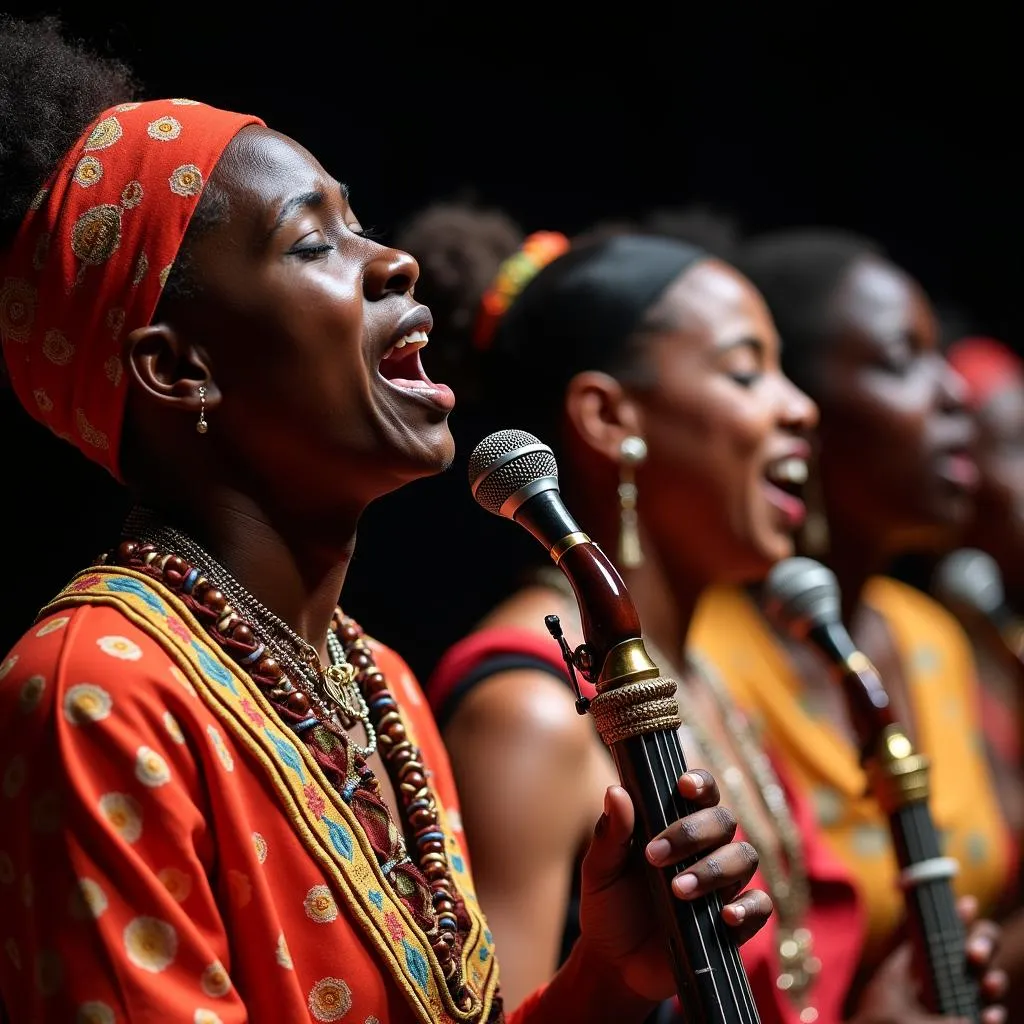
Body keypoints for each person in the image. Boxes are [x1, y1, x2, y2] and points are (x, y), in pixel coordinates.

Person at [0, 16, 774, 1024]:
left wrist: (607, 980)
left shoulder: (380, 682)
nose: (394, 261)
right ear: (178, 368)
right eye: (311, 241)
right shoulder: (93, 688)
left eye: (360, 222)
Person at [394, 201, 1007, 1023]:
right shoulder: (528, 709)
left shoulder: (706, 674)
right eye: (746, 370)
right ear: (610, 419)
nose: (801, 409)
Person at [687, 227, 1017, 1011]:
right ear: (803, 411)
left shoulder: (931, 632)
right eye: (903, 362)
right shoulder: (706, 656)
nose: (953, 394)